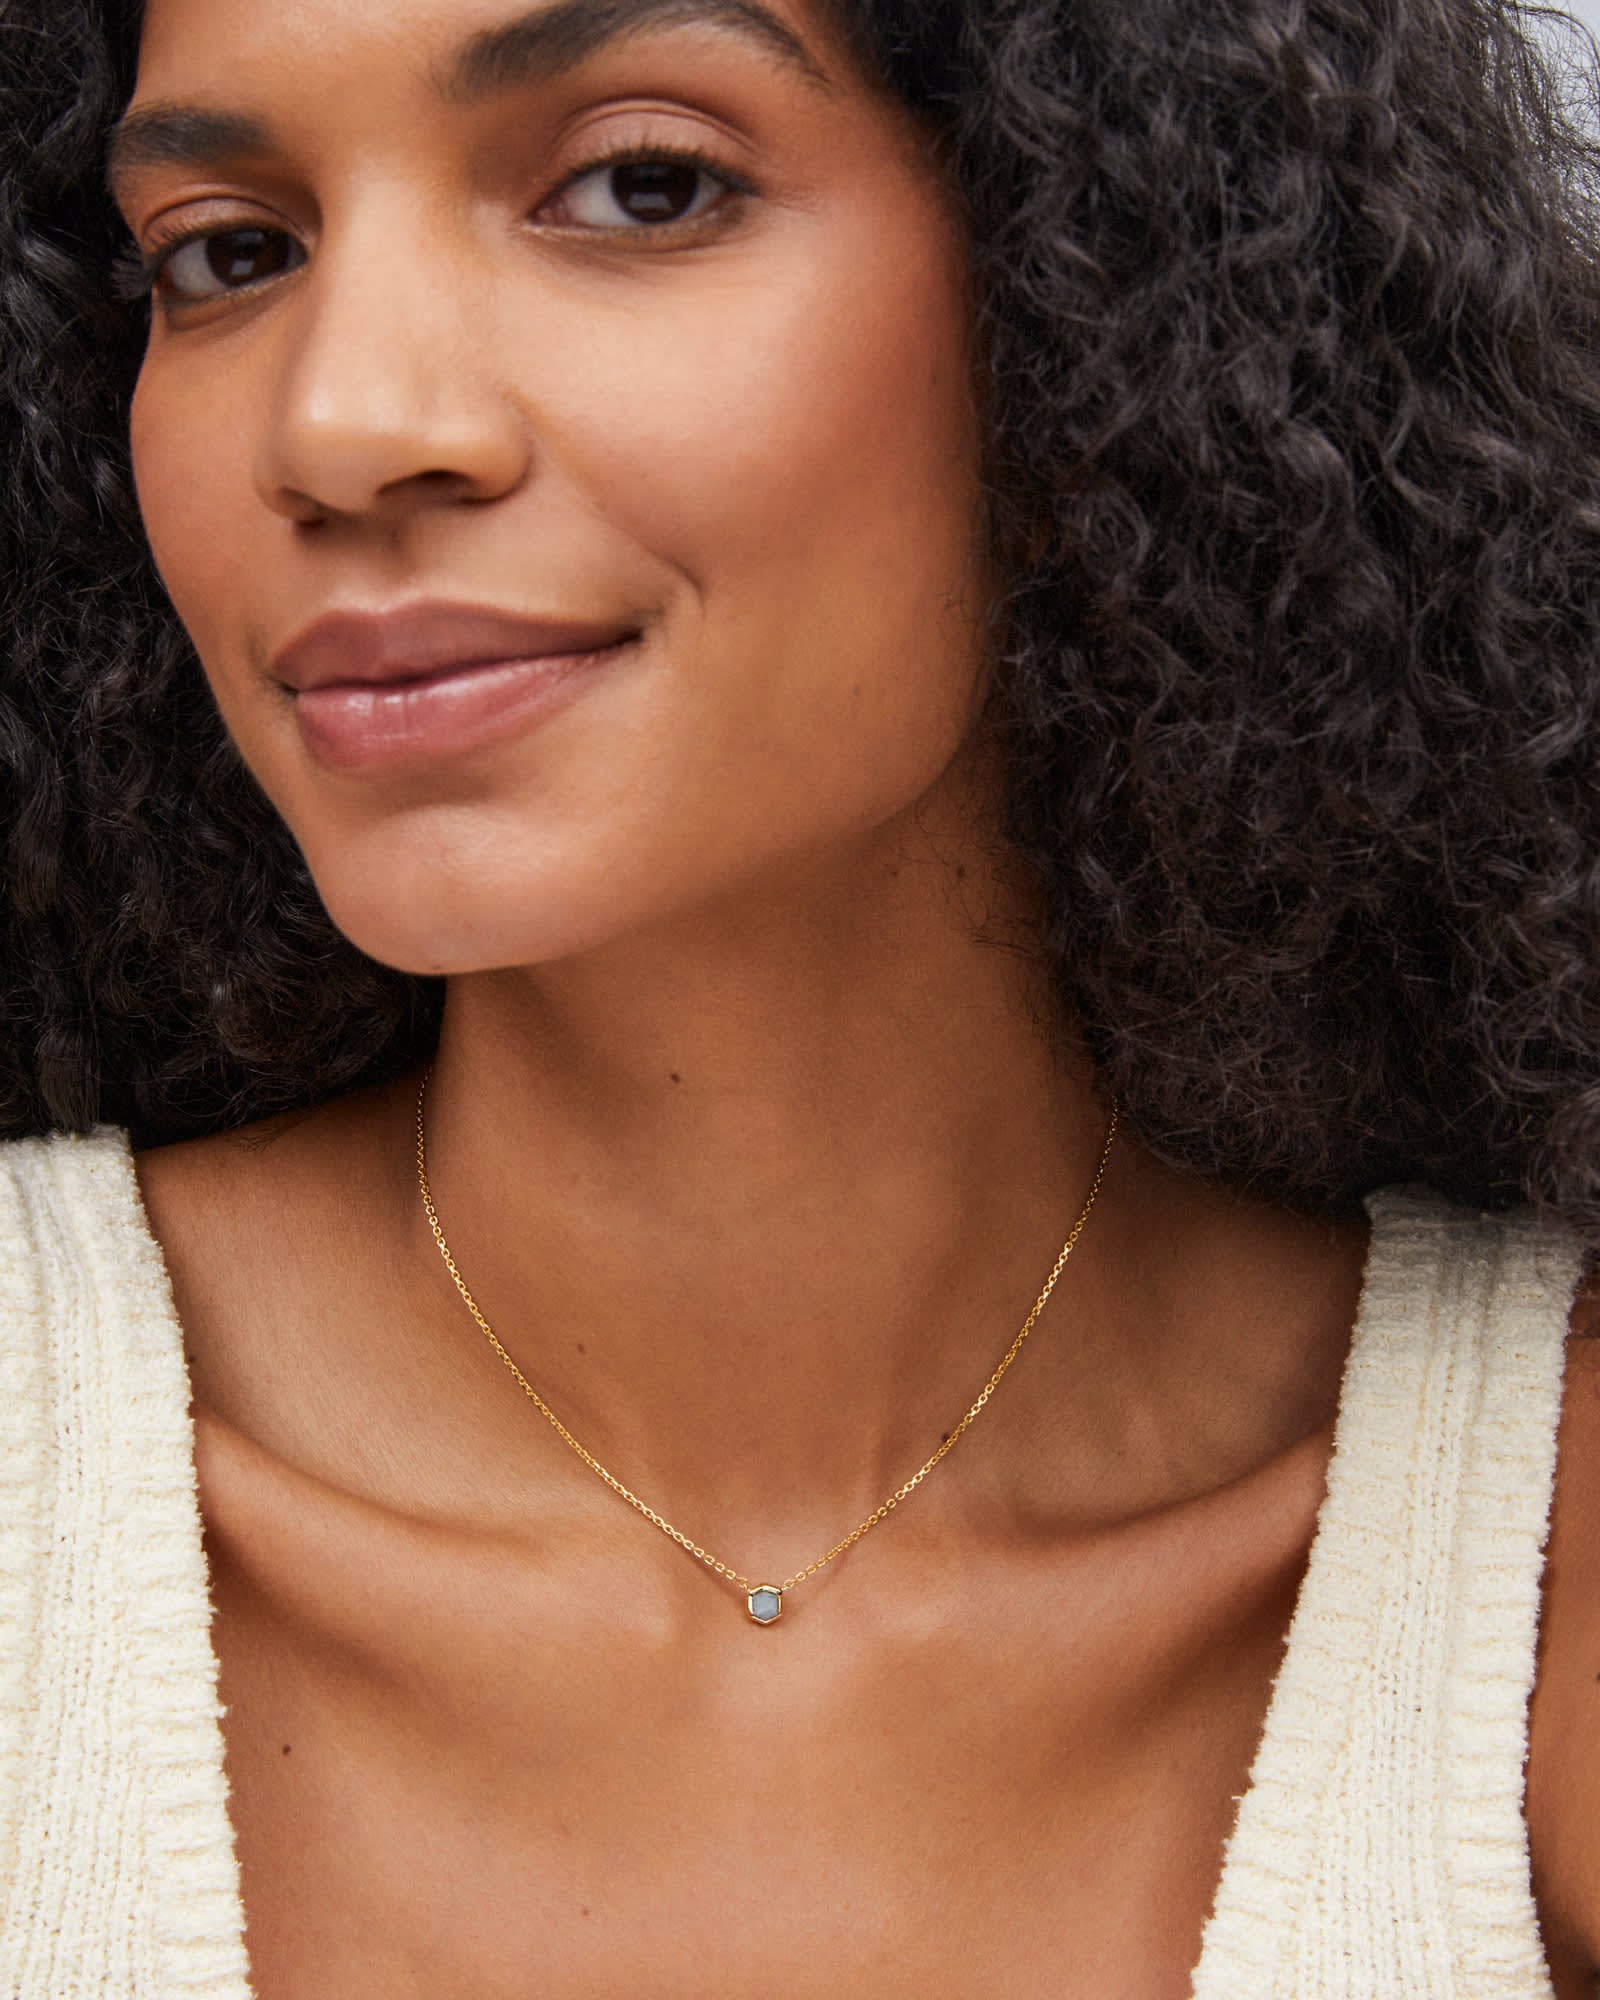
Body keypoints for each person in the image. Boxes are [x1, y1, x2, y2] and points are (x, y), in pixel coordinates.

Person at [0, 0, 1598, 1991]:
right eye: (230, 252)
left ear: (1096, 284)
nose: (337, 424)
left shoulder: (1534, 1549)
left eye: (639, 187)